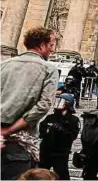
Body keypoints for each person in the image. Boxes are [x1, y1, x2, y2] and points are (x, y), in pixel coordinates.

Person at [1, 27, 59, 180]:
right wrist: (8, 131)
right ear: (41, 45)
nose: (52, 50)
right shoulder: (49, 69)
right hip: (20, 142)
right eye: (51, 45)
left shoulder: (4, 64)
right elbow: (43, 106)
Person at [39, 93, 80, 180]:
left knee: (62, 175)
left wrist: (61, 130)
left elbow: (72, 136)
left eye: (61, 101)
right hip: (46, 151)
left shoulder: (73, 120)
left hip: (60, 153)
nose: (58, 103)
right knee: (40, 174)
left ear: (67, 104)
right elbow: (41, 131)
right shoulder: (50, 117)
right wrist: (48, 130)